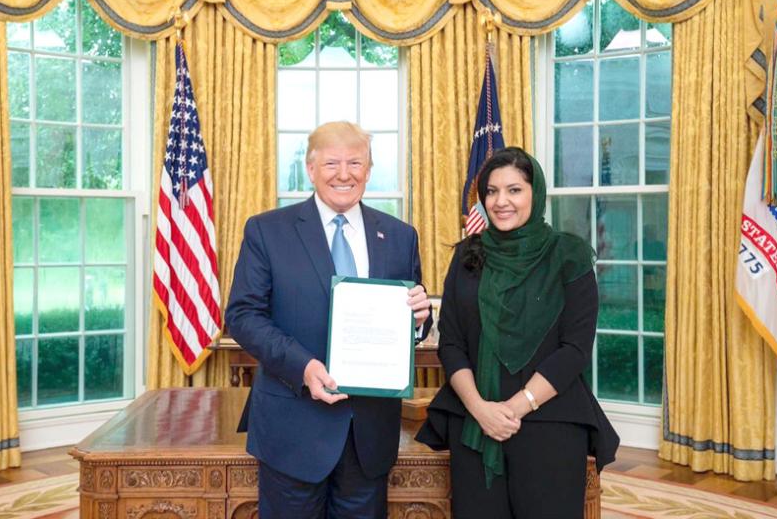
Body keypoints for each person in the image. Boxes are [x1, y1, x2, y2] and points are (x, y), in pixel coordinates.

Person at [225, 121, 431, 519]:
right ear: (311, 168)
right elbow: (243, 315)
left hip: (368, 435)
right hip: (292, 430)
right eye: (332, 163)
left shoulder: (400, 235)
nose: (344, 173)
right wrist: (303, 367)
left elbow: (409, 318)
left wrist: (420, 318)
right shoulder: (267, 230)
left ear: (369, 171)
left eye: (355, 163)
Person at [416, 146, 619, 518]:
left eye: (514, 190)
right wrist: (480, 409)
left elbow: (574, 349)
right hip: (473, 422)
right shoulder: (466, 257)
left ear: (534, 193)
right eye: (491, 191)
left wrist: (513, 407)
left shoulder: (568, 256)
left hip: (550, 419)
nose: (500, 201)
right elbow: (452, 343)